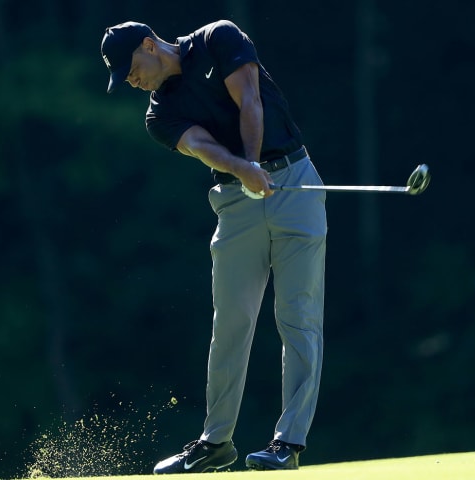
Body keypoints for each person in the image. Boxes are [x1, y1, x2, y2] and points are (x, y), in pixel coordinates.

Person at [100, 20, 327, 473]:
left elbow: (250, 100)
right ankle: (216, 442)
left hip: (294, 183)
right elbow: (202, 146)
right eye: (122, 75)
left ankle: (288, 443)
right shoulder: (158, 115)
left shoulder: (219, 39)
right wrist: (244, 171)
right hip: (235, 202)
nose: (130, 79)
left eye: (131, 67)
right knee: (230, 325)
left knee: (298, 316)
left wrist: (253, 162)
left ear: (150, 44)